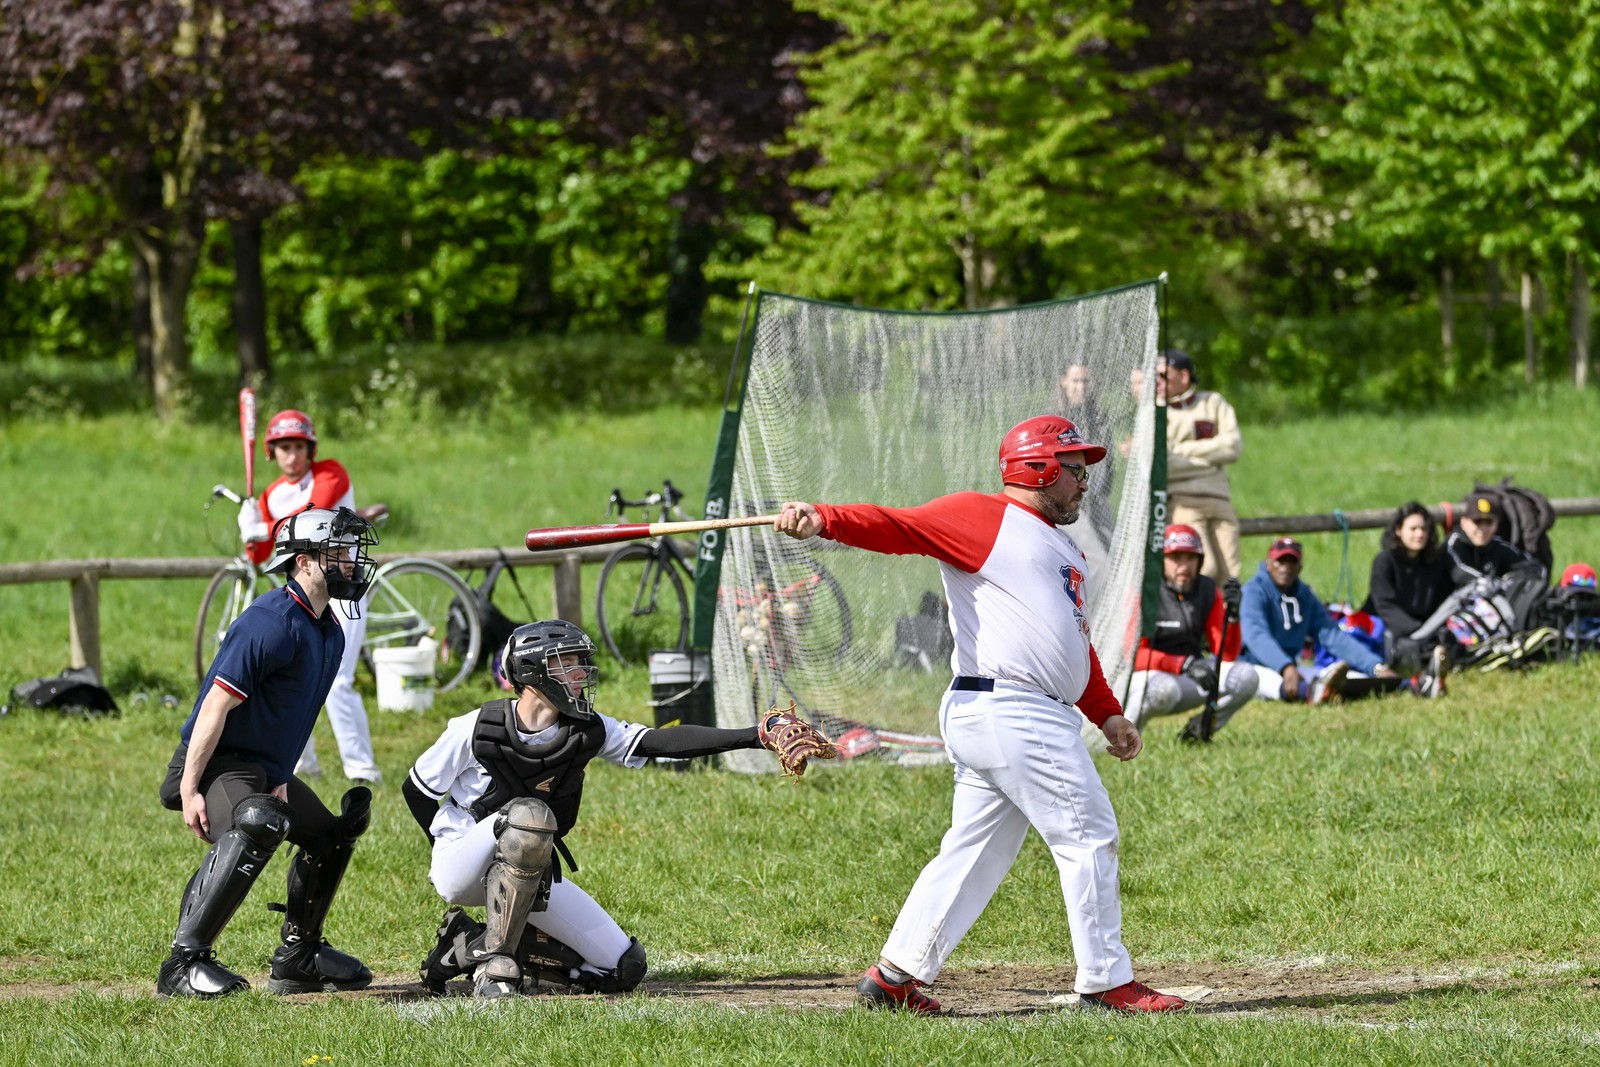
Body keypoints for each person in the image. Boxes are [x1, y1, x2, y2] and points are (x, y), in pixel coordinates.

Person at [772, 414, 1188, 1015]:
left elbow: (1071, 641)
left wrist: (1107, 713)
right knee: (1089, 832)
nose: (1084, 482)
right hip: (1012, 709)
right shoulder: (984, 516)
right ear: (1039, 468)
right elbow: (897, 526)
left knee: (975, 851)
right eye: (1074, 469)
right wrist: (823, 518)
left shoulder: (1060, 544)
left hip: (1005, 712)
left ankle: (895, 975)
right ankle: (1106, 979)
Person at [407, 620, 833, 998]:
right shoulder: (476, 727)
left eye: (580, 663)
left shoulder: (585, 729)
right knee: (528, 818)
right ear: (534, 673)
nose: (581, 674)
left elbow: (657, 742)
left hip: (528, 870)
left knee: (621, 967)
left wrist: (756, 733)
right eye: (568, 663)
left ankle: (465, 945)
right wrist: (454, 850)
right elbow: (416, 790)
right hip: (460, 861)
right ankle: (497, 969)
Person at [156, 506, 380, 997]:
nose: (350, 562)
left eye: (350, 552)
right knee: (261, 820)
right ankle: (182, 965)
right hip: (213, 762)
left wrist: (278, 773)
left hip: (257, 769)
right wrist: (190, 788)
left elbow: (298, 713)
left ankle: (299, 955)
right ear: (302, 562)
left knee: (335, 833)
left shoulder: (329, 631)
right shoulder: (270, 622)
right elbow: (215, 706)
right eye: (338, 553)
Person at [239, 409, 381, 784]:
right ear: (273, 452)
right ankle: (301, 765)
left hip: (342, 585)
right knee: (293, 678)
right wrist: (249, 527)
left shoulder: (331, 472)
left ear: (310, 448)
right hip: (301, 594)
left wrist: (264, 525)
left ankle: (362, 769)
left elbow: (313, 514)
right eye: (284, 447)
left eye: (298, 446)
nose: (292, 455)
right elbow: (260, 557)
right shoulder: (270, 496)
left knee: (339, 679)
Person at [1127, 524, 1258, 741]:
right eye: (1176, 557)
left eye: (1190, 557)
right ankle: (1123, 740)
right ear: (1161, 560)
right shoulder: (1145, 592)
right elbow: (1133, 657)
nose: (1184, 565)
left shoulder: (1207, 590)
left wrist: (1232, 618)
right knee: (1163, 689)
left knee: (1247, 677)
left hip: (1190, 676)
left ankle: (1199, 730)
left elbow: (1226, 655)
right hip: (1149, 678)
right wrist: (1183, 664)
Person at [1239, 537, 1403, 704]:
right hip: (1251, 664)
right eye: (1280, 561)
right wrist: (1285, 667)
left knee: (1356, 679)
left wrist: (1376, 668)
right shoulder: (1253, 591)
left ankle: (1402, 685)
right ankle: (1311, 692)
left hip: (1291, 666)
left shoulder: (1304, 596)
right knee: (1270, 682)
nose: (1285, 568)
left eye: (1292, 562)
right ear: (1269, 564)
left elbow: (1332, 635)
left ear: (1300, 567)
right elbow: (1256, 636)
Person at [1160, 349, 1243, 583]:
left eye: (1164, 375)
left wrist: (1182, 450)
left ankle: (1229, 620)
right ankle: (1202, 621)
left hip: (1220, 499)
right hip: (1184, 502)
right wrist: (1211, 459)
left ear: (1184, 376)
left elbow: (1233, 448)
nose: (1157, 381)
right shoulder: (1157, 412)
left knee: (1231, 576)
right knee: (1206, 570)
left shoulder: (1213, 403)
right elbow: (1164, 464)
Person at [1363, 502, 1459, 683]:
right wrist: (1418, 630)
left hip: (1426, 628)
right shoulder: (1385, 561)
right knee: (1408, 646)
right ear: (1398, 530)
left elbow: (1442, 600)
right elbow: (1384, 606)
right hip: (1389, 628)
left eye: (1424, 528)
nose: (1420, 534)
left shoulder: (1436, 562)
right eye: (1413, 528)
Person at [1444, 491, 1542, 582]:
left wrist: (1511, 580)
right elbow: (1461, 574)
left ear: (1496, 525)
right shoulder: (1452, 546)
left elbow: (1533, 566)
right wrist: (1495, 584)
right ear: (1463, 522)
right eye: (1477, 522)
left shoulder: (1498, 545)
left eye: (1488, 522)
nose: (1483, 528)